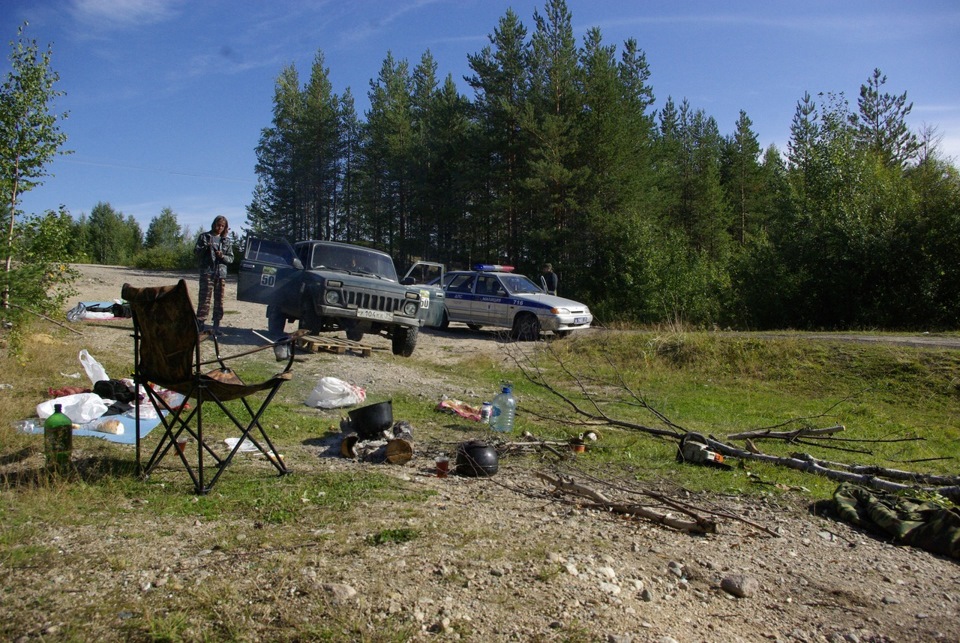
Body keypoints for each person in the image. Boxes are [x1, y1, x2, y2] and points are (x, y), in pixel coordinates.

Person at [194, 215, 233, 335]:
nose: (220, 227)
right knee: (204, 299)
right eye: (218, 225)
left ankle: (216, 327)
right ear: (214, 224)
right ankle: (200, 326)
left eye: (222, 226)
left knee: (219, 301)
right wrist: (206, 247)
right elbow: (196, 252)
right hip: (207, 272)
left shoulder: (226, 241)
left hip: (220, 274)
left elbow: (231, 258)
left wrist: (223, 256)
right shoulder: (205, 237)